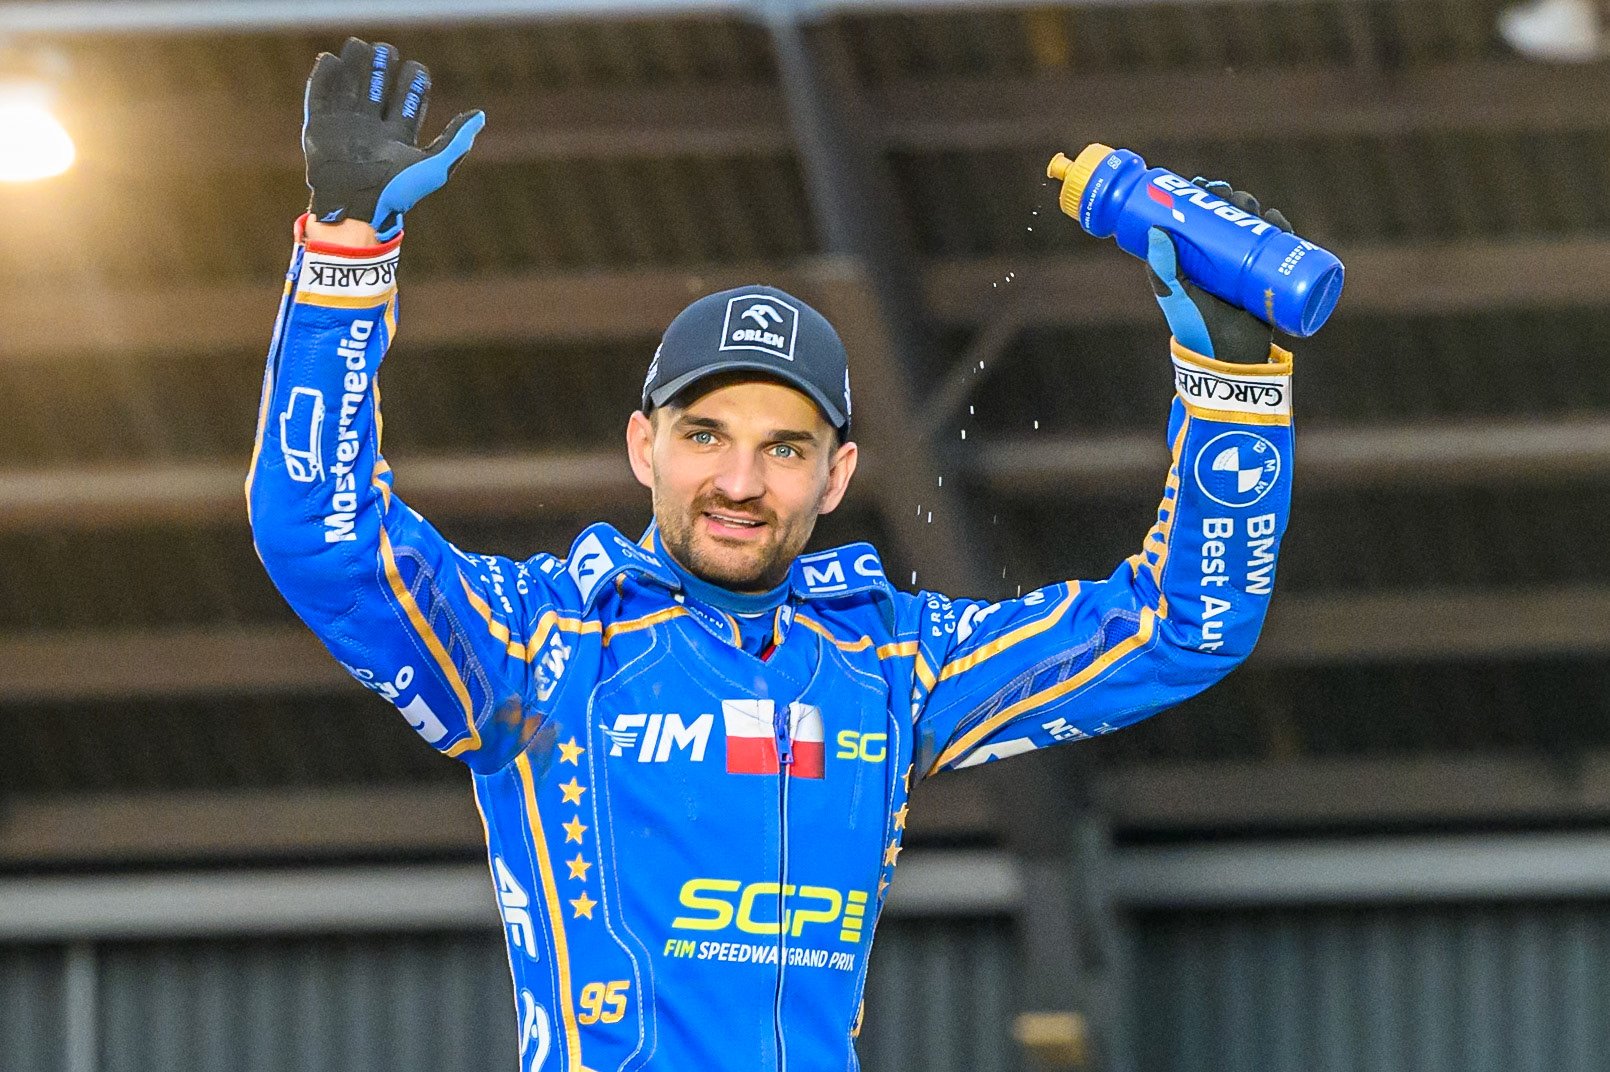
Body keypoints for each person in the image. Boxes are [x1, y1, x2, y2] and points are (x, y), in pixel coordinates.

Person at [248, 38, 1295, 1072]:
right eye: (704, 436)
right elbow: (320, 536)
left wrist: (1233, 386)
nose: (740, 482)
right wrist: (346, 252)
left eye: (782, 449)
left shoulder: (888, 660)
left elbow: (1181, 627)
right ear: (641, 446)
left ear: (837, 476)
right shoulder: (541, 644)